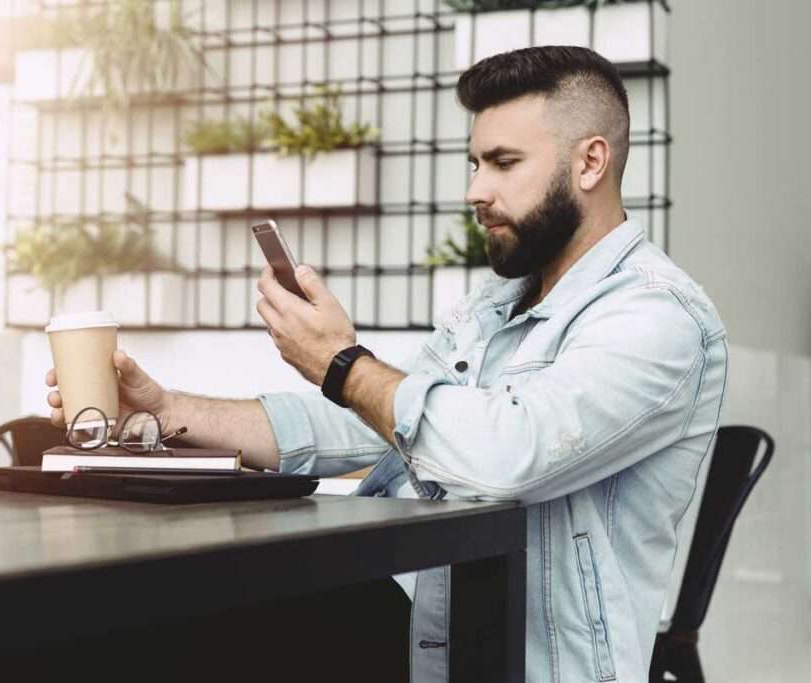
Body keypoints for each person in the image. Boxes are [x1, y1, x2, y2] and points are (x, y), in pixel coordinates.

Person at [46, 46, 726, 683]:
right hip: (419, 641)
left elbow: (510, 452)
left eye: (503, 162)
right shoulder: (495, 307)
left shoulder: (656, 318)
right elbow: (368, 422)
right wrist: (168, 410)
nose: (475, 190)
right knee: (113, 630)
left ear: (590, 162)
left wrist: (342, 362)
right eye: (474, 164)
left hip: (532, 669)